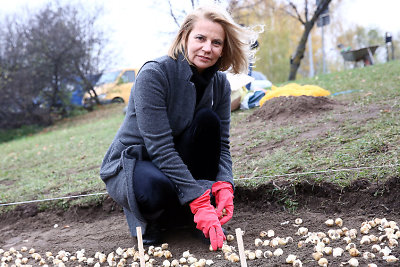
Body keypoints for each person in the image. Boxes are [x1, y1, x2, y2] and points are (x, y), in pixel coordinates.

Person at [100, 5, 256, 251]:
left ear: (224, 48)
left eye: (216, 42)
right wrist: (200, 200)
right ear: (185, 37)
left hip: (174, 157)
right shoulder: (154, 74)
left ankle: (192, 217)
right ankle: (157, 219)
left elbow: (222, 145)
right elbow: (159, 147)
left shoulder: (221, 85)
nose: (207, 48)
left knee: (207, 121)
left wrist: (225, 183)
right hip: (135, 162)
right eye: (200, 38)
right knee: (153, 190)